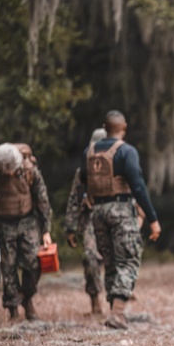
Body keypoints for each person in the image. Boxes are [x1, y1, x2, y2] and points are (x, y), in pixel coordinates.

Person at [81, 110, 161, 329]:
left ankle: (112, 310)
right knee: (128, 258)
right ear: (123, 127)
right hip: (121, 210)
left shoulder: (89, 152)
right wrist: (152, 218)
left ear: (104, 128)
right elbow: (138, 186)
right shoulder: (126, 151)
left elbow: (82, 181)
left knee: (110, 261)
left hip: (98, 212)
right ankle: (117, 313)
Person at [0, 143, 52, 321]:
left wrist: (46, 231)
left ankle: (27, 297)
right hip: (3, 223)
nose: (8, 173)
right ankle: (13, 306)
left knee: (33, 263)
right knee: (8, 267)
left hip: (27, 220)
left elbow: (42, 199)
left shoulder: (29, 170)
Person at [66, 128, 107, 317]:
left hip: (113, 218)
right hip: (90, 218)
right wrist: (70, 227)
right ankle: (95, 302)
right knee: (90, 258)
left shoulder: (121, 167)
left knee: (116, 260)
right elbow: (74, 198)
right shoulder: (83, 171)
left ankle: (117, 305)